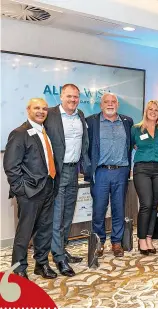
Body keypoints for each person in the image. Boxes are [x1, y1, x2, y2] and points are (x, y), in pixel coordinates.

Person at [3, 98, 57, 279]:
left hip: (48, 188)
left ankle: (41, 265)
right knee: (24, 233)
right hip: (29, 192)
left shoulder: (44, 132)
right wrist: (21, 190)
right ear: (28, 110)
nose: (41, 111)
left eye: (44, 108)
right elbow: (11, 166)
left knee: (44, 230)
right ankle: (19, 269)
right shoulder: (19, 133)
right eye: (37, 108)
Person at [44, 83, 89, 277]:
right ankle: (58, 257)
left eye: (76, 97)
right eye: (69, 96)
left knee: (68, 213)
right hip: (57, 172)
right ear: (61, 96)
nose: (73, 100)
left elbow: (83, 141)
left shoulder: (80, 115)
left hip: (74, 171)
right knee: (57, 215)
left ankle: (62, 248)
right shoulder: (50, 115)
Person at [85, 93, 134, 257]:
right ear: (101, 105)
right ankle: (99, 242)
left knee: (119, 208)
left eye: (113, 102)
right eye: (107, 102)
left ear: (118, 105)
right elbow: (85, 146)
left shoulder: (127, 122)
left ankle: (116, 242)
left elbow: (132, 145)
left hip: (121, 171)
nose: (110, 104)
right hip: (101, 172)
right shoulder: (91, 121)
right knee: (99, 209)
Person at [131, 100, 158, 255]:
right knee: (145, 204)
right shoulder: (136, 129)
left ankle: (149, 238)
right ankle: (141, 239)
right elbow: (130, 145)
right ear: (146, 111)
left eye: (156, 110)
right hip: (142, 169)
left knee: (154, 205)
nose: (153, 112)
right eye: (150, 109)